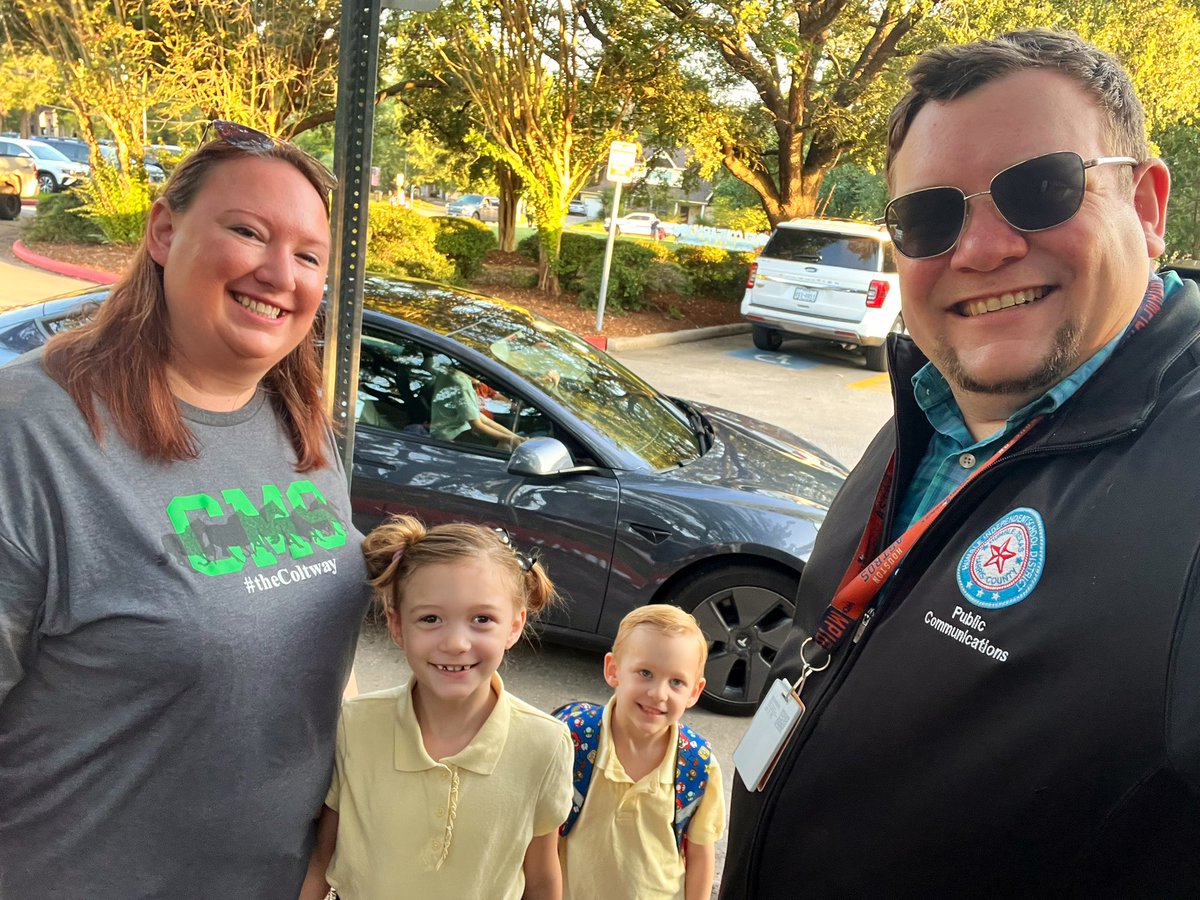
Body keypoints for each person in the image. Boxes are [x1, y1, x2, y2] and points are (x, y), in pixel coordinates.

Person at [719, 28, 1198, 896]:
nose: (979, 251)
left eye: (1042, 189)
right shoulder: (932, 406)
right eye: (931, 215)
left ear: (1149, 206)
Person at [0, 122, 371, 895]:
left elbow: (315, 666)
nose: (280, 273)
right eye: (247, 232)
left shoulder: (298, 424)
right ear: (164, 232)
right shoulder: (31, 433)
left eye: (308, 256)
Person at [300, 516, 573, 900]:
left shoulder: (546, 743)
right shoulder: (355, 726)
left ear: (514, 625)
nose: (457, 643)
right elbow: (321, 860)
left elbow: (542, 878)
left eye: (482, 619)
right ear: (397, 626)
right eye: (431, 618)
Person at [558, 604, 726, 900]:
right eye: (645, 673)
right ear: (613, 670)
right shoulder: (573, 739)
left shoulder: (698, 765)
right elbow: (539, 828)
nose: (658, 693)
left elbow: (700, 854)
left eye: (676, 682)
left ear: (694, 692)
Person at [429, 365, 525, 449]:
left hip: (444, 431)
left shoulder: (448, 372)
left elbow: (480, 418)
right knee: (504, 448)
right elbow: (477, 426)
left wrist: (515, 437)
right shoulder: (462, 385)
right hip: (451, 435)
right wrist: (511, 440)